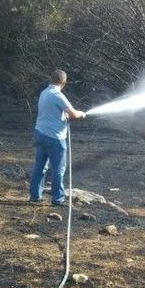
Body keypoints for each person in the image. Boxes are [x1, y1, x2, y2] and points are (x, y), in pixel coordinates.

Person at [29, 70, 87, 205]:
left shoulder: (44, 93)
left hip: (40, 133)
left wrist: (63, 116)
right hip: (54, 137)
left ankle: (35, 196)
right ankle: (58, 199)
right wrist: (82, 114)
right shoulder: (58, 95)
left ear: (51, 79)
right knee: (58, 169)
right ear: (64, 83)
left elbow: (52, 112)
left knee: (40, 167)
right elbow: (73, 114)